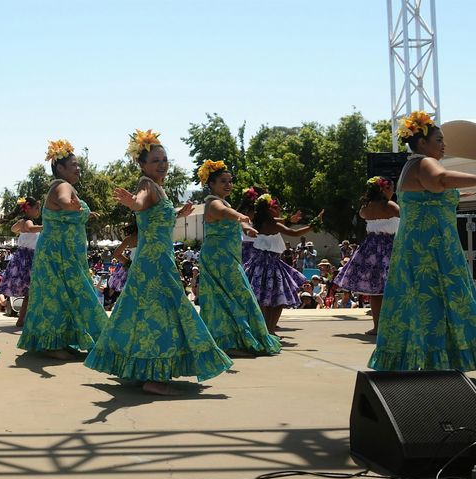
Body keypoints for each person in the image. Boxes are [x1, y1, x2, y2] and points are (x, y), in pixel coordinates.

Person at [85, 130, 231, 395]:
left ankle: (144, 369)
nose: (162, 164)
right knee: (161, 316)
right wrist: (133, 202)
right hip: (154, 264)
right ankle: (154, 377)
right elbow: (141, 202)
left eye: (164, 159)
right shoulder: (146, 184)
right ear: (142, 165)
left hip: (157, 260)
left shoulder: (158, 188)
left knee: (141, 315)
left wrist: (178, 213)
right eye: (155, 161)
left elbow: (153, 218)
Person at [369, 112, 476, 373]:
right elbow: (442, 180)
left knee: (426, 301)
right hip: (431, 249)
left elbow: (437, 189)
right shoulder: (425, 163)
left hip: (422, 246)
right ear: (422, 143)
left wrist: (465, 190)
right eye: (439, 139)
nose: (443, 144)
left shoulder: (413, 166)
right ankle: (436, 361)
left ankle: (430, 359)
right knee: (437, 300)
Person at [18, 139, 107, 360]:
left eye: (78, 165)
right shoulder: (61, 186)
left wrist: (84, 212)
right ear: (60, 168)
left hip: (61, 252)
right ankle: (52, 343)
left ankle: (61, 340)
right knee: (58, 295)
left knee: (62, 295)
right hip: (59, 254)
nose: (78, 169)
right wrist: (70, 205)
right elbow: (63, 200)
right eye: (74, 165)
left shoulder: (63, 186)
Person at [195, 160, 281, 356]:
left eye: (230, 181)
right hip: (218, 259)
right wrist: (240, 217)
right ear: (212, 184)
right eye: (223, 181)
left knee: (231, 297)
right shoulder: (213, 203)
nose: (228, 185)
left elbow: (231, 217)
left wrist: (246, 227)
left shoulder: (223, 202)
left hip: (226, 258)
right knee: (233, 297)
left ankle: (234, 340)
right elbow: (225, 213)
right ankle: (228, 342)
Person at [245, 193, 323, 333]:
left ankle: (265, 330)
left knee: (265, 299)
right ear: (269, 210)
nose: (279, 208)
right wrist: (313, 224)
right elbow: (295, 233)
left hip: (260, 263)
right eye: (276, 207)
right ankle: (269, 330)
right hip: (270, 265)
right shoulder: (272, 224)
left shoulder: (262, 221)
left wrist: (289, 219)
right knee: (275, 300)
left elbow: (282, 221)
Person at [333, 177, 399, 335]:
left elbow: (362, 215)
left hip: (370, 250)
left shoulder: (366, 208)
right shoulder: (391, 206)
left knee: (376, 293)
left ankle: (377, 327)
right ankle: (393, 327)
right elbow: (407, 218)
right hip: (390, 248)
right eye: (391, 189)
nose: (393, 192)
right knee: (394, 290)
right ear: (383, 190)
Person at [0, 197, 43, 326]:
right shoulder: (28, 222)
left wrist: (22, 229)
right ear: (28, 209)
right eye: (36, 208)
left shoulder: (24, 221)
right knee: (30, 291)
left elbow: (13, 229)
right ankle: (21, 320)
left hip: (22, 257)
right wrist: (45, 227)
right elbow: (31, 228)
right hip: (28, 258)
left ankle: (22, 319)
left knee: (29, 292)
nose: (38, 211)